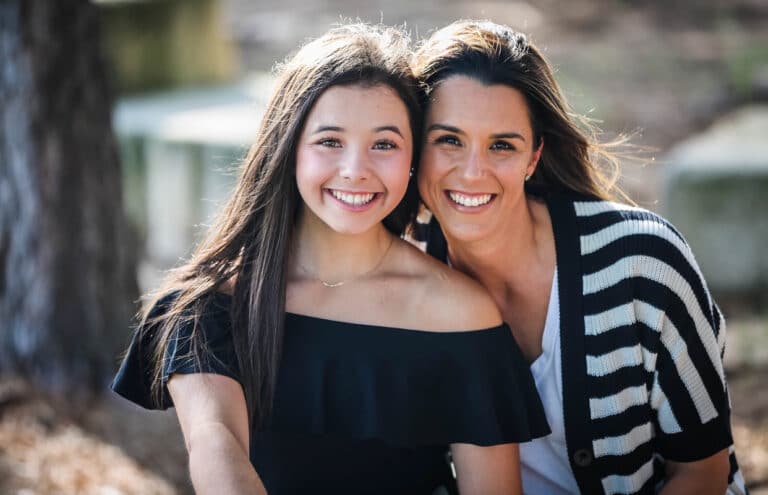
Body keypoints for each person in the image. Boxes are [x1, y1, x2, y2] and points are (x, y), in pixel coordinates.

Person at [111, 23, 549, 495]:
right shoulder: (211, 305)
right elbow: (216, 447)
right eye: (330, 141)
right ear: (288, 149)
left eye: (384, 144)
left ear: (412, 159)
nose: (356, 171)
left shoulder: (461, 314)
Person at [412, 20, 748, 495]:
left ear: (533, 157)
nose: (472, 172)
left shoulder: (645, 263)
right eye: (449, 139)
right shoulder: (401, 280)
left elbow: (702, 472)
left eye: (502, 145)